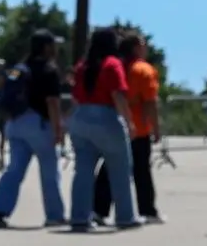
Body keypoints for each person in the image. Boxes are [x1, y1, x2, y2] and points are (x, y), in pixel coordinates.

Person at [0, 30, 66, 228]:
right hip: (38, 124)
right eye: (53, 45)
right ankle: (54, 215)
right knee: (50, 172)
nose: (56, 49)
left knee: (14, 170)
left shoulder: (18, 69)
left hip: (15, 123)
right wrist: (58, 129)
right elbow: (52, 102)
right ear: (46, 47)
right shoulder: (49, 70)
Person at [66, 28, 140, 233]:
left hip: (81, 119)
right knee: (120, 169)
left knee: (82, 171)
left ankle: (79, 217)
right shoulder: (112, 64)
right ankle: (125, 216)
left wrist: (67, 121)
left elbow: (75, 98)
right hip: (105, 118)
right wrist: (130, 122)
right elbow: (118, 96)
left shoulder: (82, 66)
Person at [94, 33, 163, 224]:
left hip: (114, 125)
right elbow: (150, 102)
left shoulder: (114, 68)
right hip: (139, 129)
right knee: (142, 171)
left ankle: (98, 210)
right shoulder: (144, 70)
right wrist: (156, 128)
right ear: (135, 48)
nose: (146, 48)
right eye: (143, 45)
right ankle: (147, 210)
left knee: (108, 170)